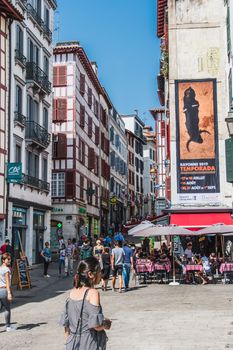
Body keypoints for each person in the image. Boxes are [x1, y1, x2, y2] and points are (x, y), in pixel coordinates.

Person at [60, 257, 111, 350]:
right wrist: (106, 323)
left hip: (72, 344)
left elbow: (66, 327)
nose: (101, 274)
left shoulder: (71, 292)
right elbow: (96, 326)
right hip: (90, 343)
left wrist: (69, 343)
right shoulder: (93, 293)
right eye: (99, 271)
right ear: (90, 274)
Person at [0, 253, 13, 331]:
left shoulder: (0, 268)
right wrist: (9, 293)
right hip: (4, 290)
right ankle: (8, 327)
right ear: (3, 260)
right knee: (7, 308)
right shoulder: (6, 269)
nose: (9, 260)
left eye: (10, 259)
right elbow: (7, 282)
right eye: (7, 259)